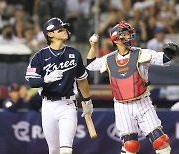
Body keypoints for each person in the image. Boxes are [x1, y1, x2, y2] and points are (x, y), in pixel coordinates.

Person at [86, 21, 179, 154]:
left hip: (143, 102)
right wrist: (93, 46)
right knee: (130, 145)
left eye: (129, 34)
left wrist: (170, 53)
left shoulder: (141, 53)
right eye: (125, 35)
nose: (129, 37)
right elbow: (90, 65)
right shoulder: (110, 59)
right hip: (122, 105)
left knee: (161, 141)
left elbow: (163, 59)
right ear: (116, 39)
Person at [25, 17, 93, 154]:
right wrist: (46, 79)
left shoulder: (74, 53)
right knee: (54, 149)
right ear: (50, 34)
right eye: (60, 29)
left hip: (67, 103)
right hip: (48, 105)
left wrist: (87, 100)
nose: (65, 31)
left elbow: (82, 80)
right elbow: (32, 82)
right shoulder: (39, 56)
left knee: (66, 149)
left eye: (65, 29)